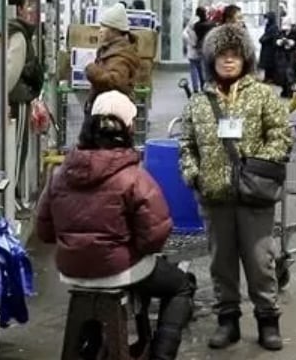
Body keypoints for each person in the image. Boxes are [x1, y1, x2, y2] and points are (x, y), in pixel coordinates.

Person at [36, 91, 197, 360]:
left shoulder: (60, 173)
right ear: (129, 127)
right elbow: (154, 236)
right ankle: (161, 354)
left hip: (71, 270)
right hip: (119, 269)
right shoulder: (133, 177)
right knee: (180, 286)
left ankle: (90, 346)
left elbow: (44, 232)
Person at [177, 23, 292, 351]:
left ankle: (268, 320)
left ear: (246, 59)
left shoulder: (262, 95)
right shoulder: (199, 102)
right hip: (214, 196)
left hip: (255, 195)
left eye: (235, 55)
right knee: (221, 263)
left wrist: (256, 166)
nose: (229, 61)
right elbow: (186, 143)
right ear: (211, 59)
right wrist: (194, 174)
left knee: (260, 262)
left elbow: (281, 135)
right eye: (222, 55)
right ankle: (228, 322)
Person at [6, 0, 44, 201]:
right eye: (25, 6)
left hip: (12, 99)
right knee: (18, 149)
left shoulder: (9, 31)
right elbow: (11, 72)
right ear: (18, 8)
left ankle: (13, 196)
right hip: (17, 99)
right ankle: (13, 198)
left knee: (15, 149)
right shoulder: (18, 34)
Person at [85, 3, 140, 108]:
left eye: (104, 26)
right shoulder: (109, 50)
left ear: (115, 30)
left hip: (112, 109)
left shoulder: (121, 54)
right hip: (105, 106)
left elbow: (116, 82)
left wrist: (92, 71)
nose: (100, 30)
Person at [274, 18, 296, 98]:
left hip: (291, 56)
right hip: (281, 56)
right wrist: (279, 42)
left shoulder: (295, 33)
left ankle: (290, 91)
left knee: (290, 74)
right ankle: (284, 90)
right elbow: (275, 41)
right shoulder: (280, 32)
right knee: (282, 74)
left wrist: (292, 43)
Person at [183, 8, 209, 93]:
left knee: (193, 70)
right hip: (201, 50)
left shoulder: (192, 23)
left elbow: (185, 34)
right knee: (201, 69)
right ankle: (202, 86)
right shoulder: (205, 24)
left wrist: (190, 43)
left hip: (192, 50)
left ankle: (195, 88)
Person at [258, 12, 279, 83]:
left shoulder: (273, 27)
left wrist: (261, 39)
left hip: (270, 50)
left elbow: (268, 37)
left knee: (269, 64)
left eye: (267, 18)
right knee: (267, 65)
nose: (265, 20)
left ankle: (270, 78)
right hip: (267, 48)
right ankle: (267, 77)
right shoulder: (269, 26)